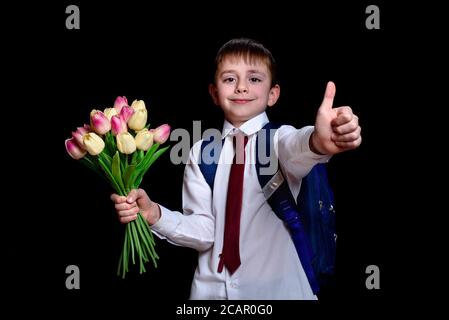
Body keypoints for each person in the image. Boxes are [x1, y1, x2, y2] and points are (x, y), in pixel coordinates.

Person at [110, 38, 361, 299]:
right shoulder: (202, 153)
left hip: (279, 292)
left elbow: (299, 145)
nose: (241, 87)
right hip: (209, 294)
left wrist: (320, 141)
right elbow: (205, 232)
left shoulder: (278, 140)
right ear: (214, 93)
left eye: (254, 79)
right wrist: (154, 213)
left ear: (273, 94)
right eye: (230, 79)